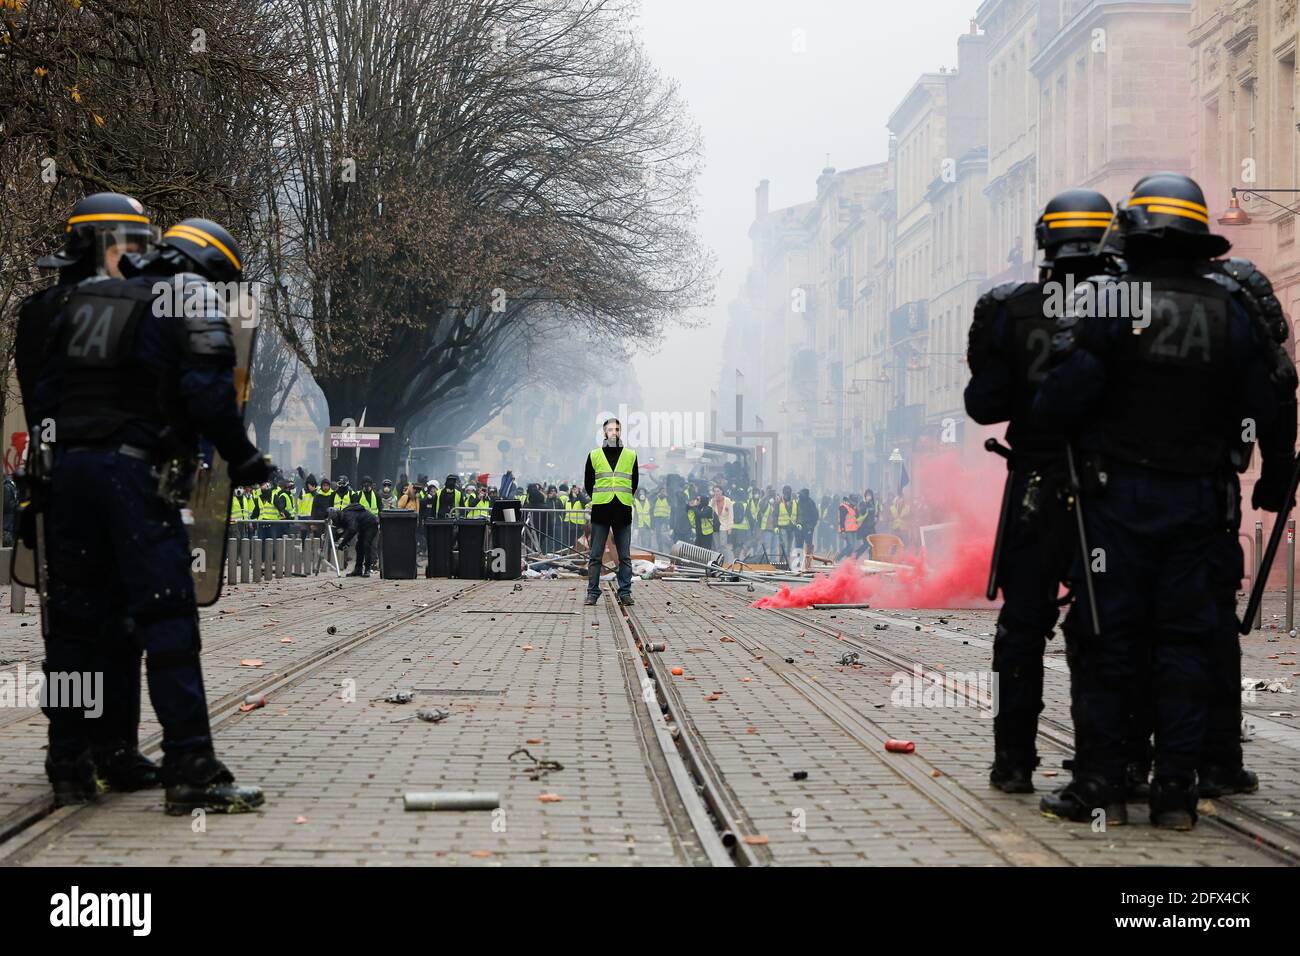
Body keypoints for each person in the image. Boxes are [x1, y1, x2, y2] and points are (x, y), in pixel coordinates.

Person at [1033, 172, 1296, 829]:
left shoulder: (1103, 304)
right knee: (1186, 644)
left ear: (1137, 231)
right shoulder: (1234, 306)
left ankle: (1101, 785)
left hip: (1114, 505)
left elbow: (1057, 403)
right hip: (1201, 506)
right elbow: (1275, 397)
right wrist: (1277, 476)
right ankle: (1176, 794)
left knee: (1106, 642)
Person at [18, 209, 272, 812]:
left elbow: (44, 397)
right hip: (132, 476)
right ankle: (192, 770)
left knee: (75, 626)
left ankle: (71, 762)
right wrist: (244, 460)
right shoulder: (185, 297)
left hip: (67, 479)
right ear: (210, 268)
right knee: (166, 619)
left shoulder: (75, 303)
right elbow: (209, 394)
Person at [965, 187, 1117, 795]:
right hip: (1111, 493)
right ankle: (1106, 767)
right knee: (1105, 625)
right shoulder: (1132, 308)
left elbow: (983, 406)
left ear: (1044, 243)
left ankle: (1013, 763)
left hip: (1035, 486)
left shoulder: (1014, 307)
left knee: (1021, 630)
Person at [583, 417, 638, 606]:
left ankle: (625, 592)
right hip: (602, 510)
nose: (614, 432)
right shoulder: (594, 455)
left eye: (617, 429)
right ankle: (592, 592)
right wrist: (601, 498)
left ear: (621, 432)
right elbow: (588, 484)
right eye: (610, 429)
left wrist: (621, 496)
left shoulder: (631, 455)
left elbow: (634, 483)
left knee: (625, 556)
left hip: (622, 510)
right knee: (595, 554)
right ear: (604, 433)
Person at [330, 504, 379, 576]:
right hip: (363, 526)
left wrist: (343, 543)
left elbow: (352, 530)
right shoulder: (343, 517)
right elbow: (341, 531)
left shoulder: (348, 516)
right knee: (359, 547)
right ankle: (358, 569)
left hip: (371, 524)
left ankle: (367, 569)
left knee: (366, 545)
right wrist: (336, 540)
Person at [795, 488, 819, 570]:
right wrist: (797, 524)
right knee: (798, 545)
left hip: (808, 528)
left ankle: (808, 564)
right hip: (799, 527)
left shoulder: (810, 503)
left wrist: (811, 526)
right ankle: (798, 563)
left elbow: (815, 515)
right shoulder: (798, 502)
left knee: (808, 545)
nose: (800, 495)